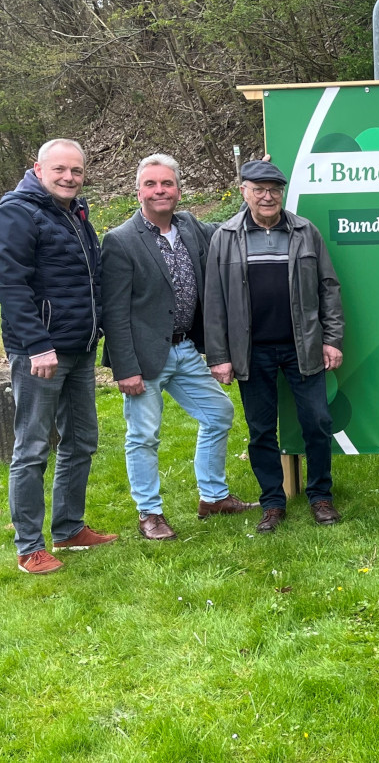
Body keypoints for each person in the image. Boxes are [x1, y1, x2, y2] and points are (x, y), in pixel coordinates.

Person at [100, 154, 258, 540]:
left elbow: (229, 229)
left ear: (178, 190)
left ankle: (213, 497)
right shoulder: (120, 241)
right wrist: (125, 368)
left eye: (166, 184)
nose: (159, 190)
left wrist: (252, 189)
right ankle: (149, 513)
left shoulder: (189, 226)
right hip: (143, 356)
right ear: (138, 191)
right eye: (151, 184)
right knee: (144, 435)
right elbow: (115, 312)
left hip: (184, 348)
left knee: (218, 413)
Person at [205, 159, 345, 532]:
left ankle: (321, 496)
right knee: (261, 429)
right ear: (244, 192)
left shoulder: (305, 231)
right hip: (251, 352)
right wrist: (219, 356)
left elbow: (328, 287)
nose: (268, 197)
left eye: (274, 190)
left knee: (317, 422)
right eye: (259, 189)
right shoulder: (226, 236)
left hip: (304, 347)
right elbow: (214, 299)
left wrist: (331, 339)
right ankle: (272, 502)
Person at [0, 139, 117, 574]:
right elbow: (11, 285)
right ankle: (30, 547)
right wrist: (36, 344)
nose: (69, 177)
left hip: (80, 348)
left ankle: (69, 528)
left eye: (77, 171)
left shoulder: (74, 211)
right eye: (61, 170)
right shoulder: (17, 211)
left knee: (81, 441)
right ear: (38, 168)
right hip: (41, 354)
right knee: (31, 449)